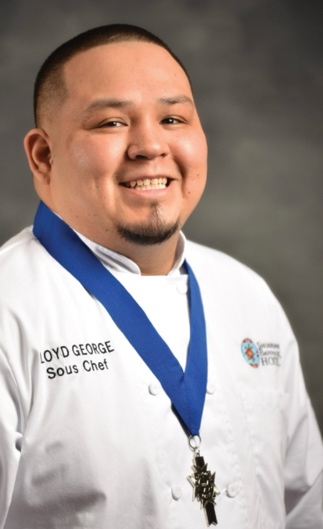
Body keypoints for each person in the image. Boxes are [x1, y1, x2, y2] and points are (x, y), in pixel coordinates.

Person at [0, 24, 322, 529]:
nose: (150, 145)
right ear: (44, 156)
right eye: (110, 123)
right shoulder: (9, 308)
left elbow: (305, 505)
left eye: (173, 118)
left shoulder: (247, 293)